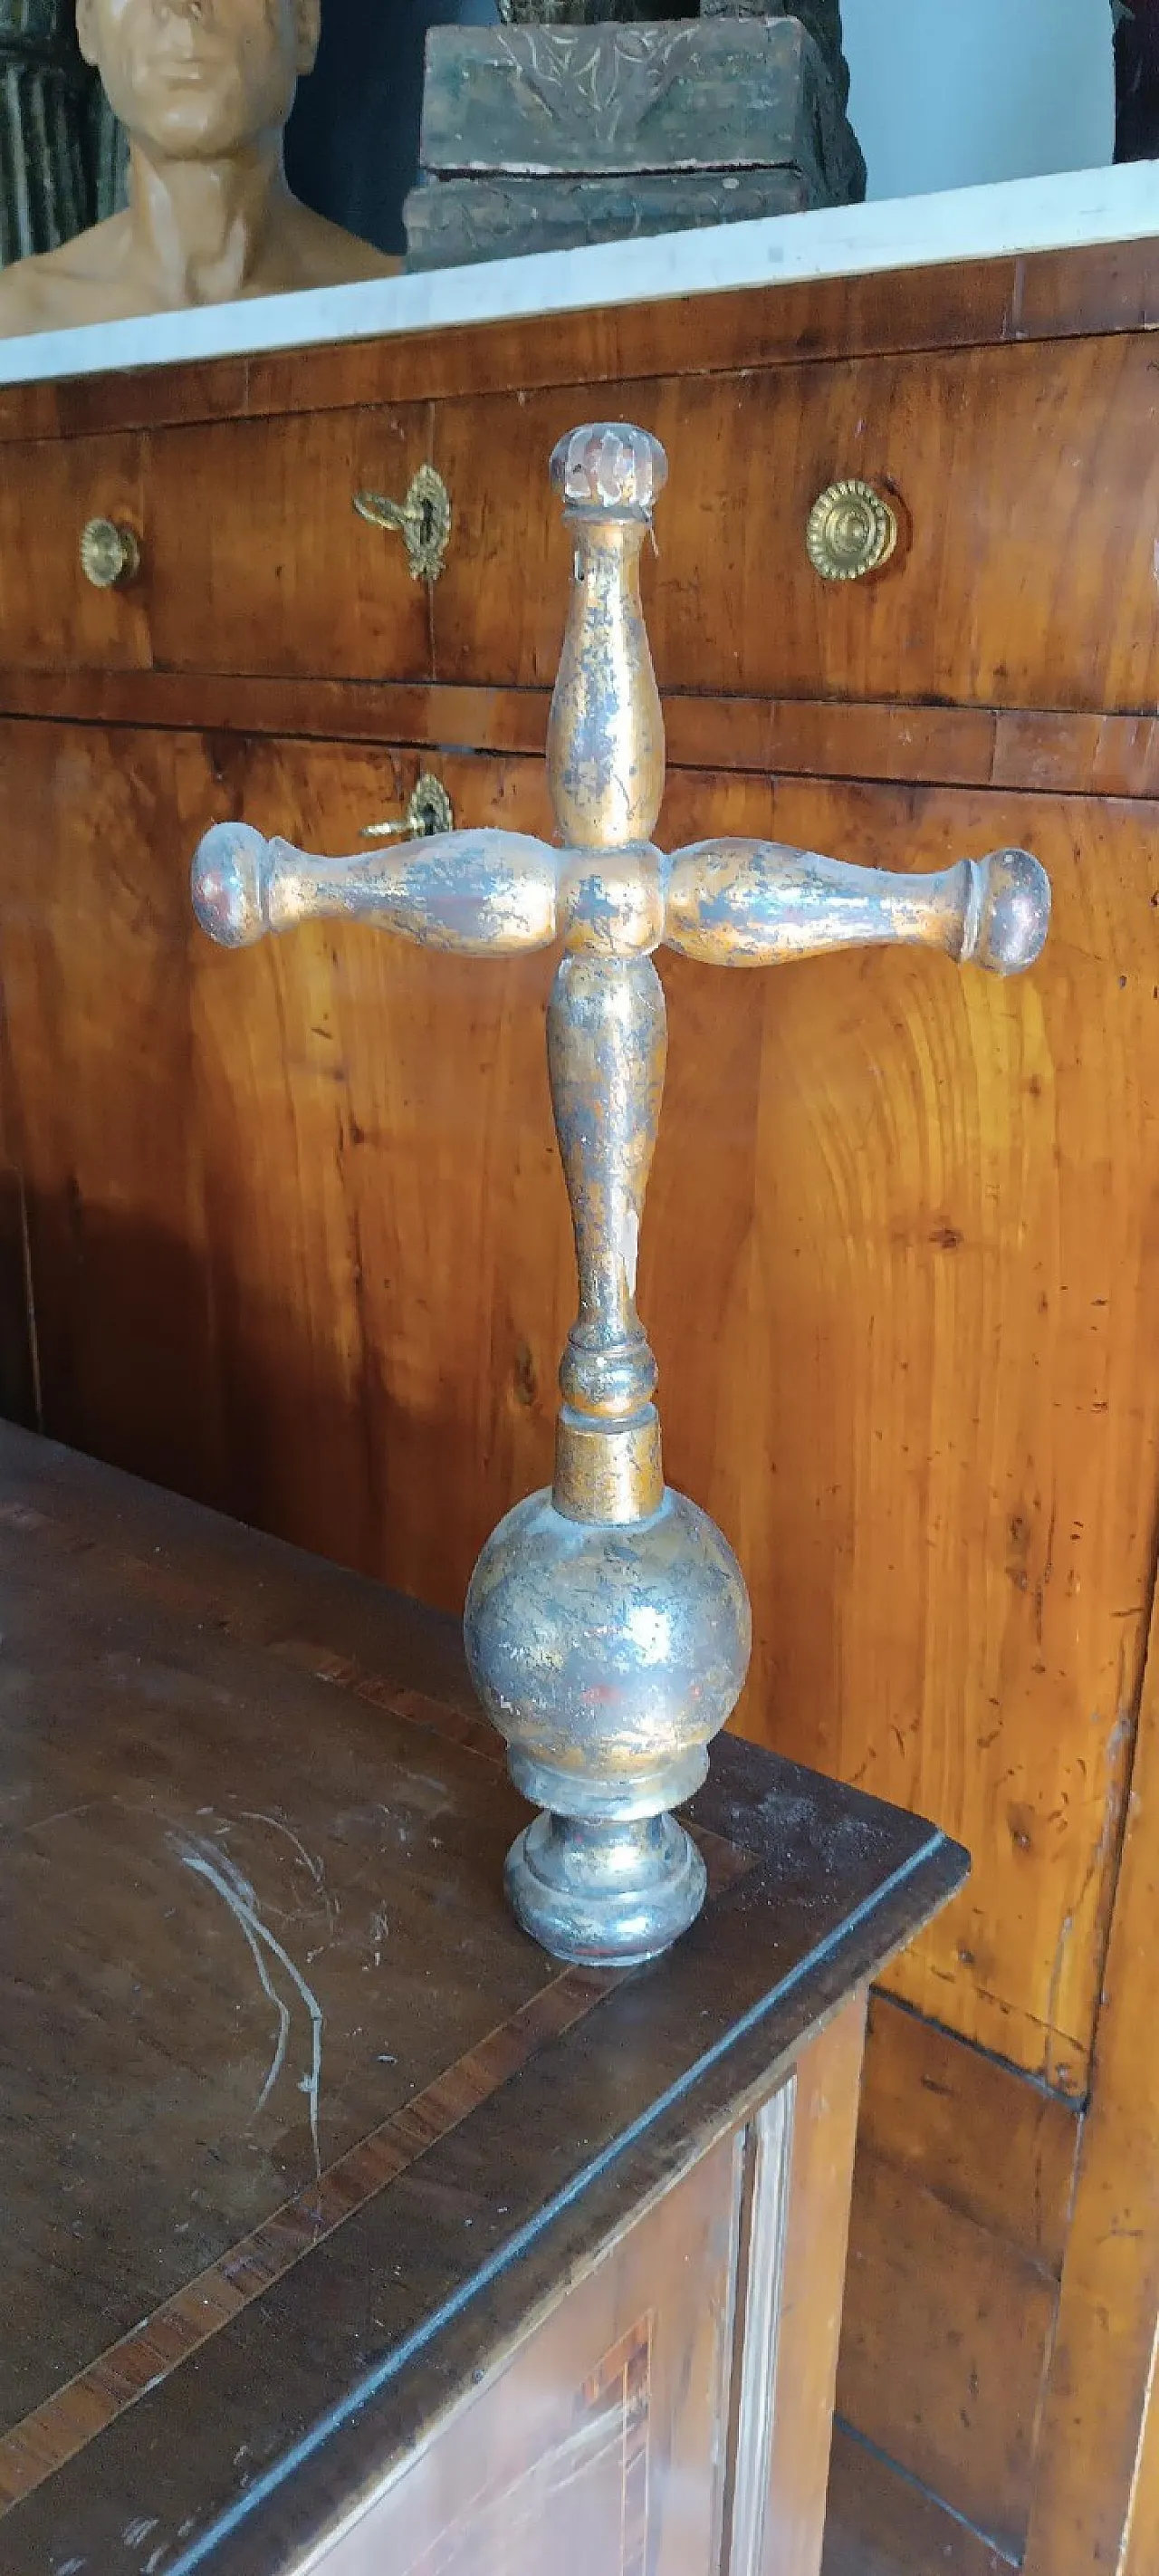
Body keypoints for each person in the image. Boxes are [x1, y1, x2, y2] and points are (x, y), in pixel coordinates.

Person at [0, 0, 398, 341]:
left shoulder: (399, 311)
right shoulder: (16, 325)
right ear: (86, 23)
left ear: (305, 21)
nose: (183, 7)